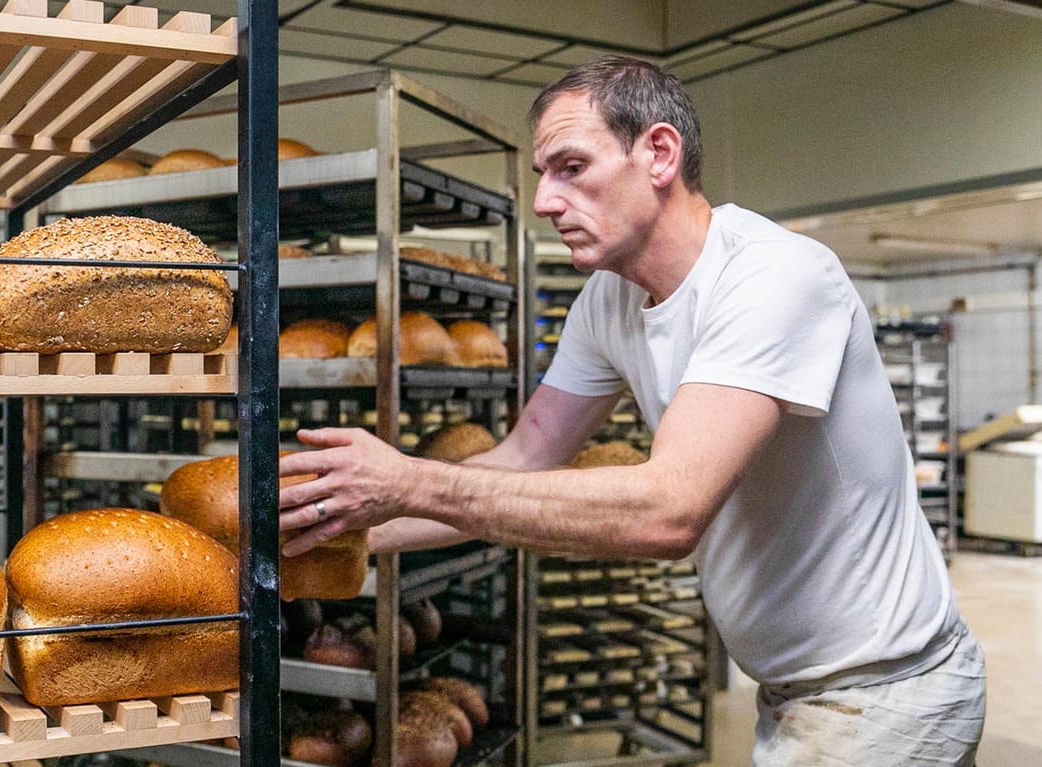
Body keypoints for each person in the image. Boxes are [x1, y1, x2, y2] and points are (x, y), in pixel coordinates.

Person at [278, 56, 985, 765]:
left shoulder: (774, 275)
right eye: (542, 177)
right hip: (796, 688)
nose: (547, 202)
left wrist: (408, 481)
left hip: (892, 690)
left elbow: (669, 509)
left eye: (571, 167)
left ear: (659, 153)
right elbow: (523, 457)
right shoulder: (609, 300)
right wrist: (337, 528)